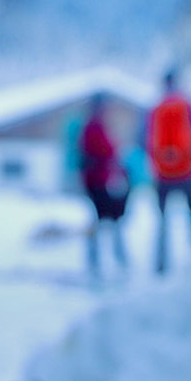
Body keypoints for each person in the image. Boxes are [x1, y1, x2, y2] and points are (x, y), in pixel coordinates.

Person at [146, 70, 191, 275]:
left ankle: (160, 265)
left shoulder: (155, 109)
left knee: (162, 222)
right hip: (187, 172)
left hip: (162, 175)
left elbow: (143, 139)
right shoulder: (189, 107)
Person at [78, 94, 129, 281]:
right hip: (98, 183)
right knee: (108, 220)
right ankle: (113, 259)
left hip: (96, 182)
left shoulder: (92, 126)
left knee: (103, 220)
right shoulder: (94, 127)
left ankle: (104, 259)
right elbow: (108, 150)